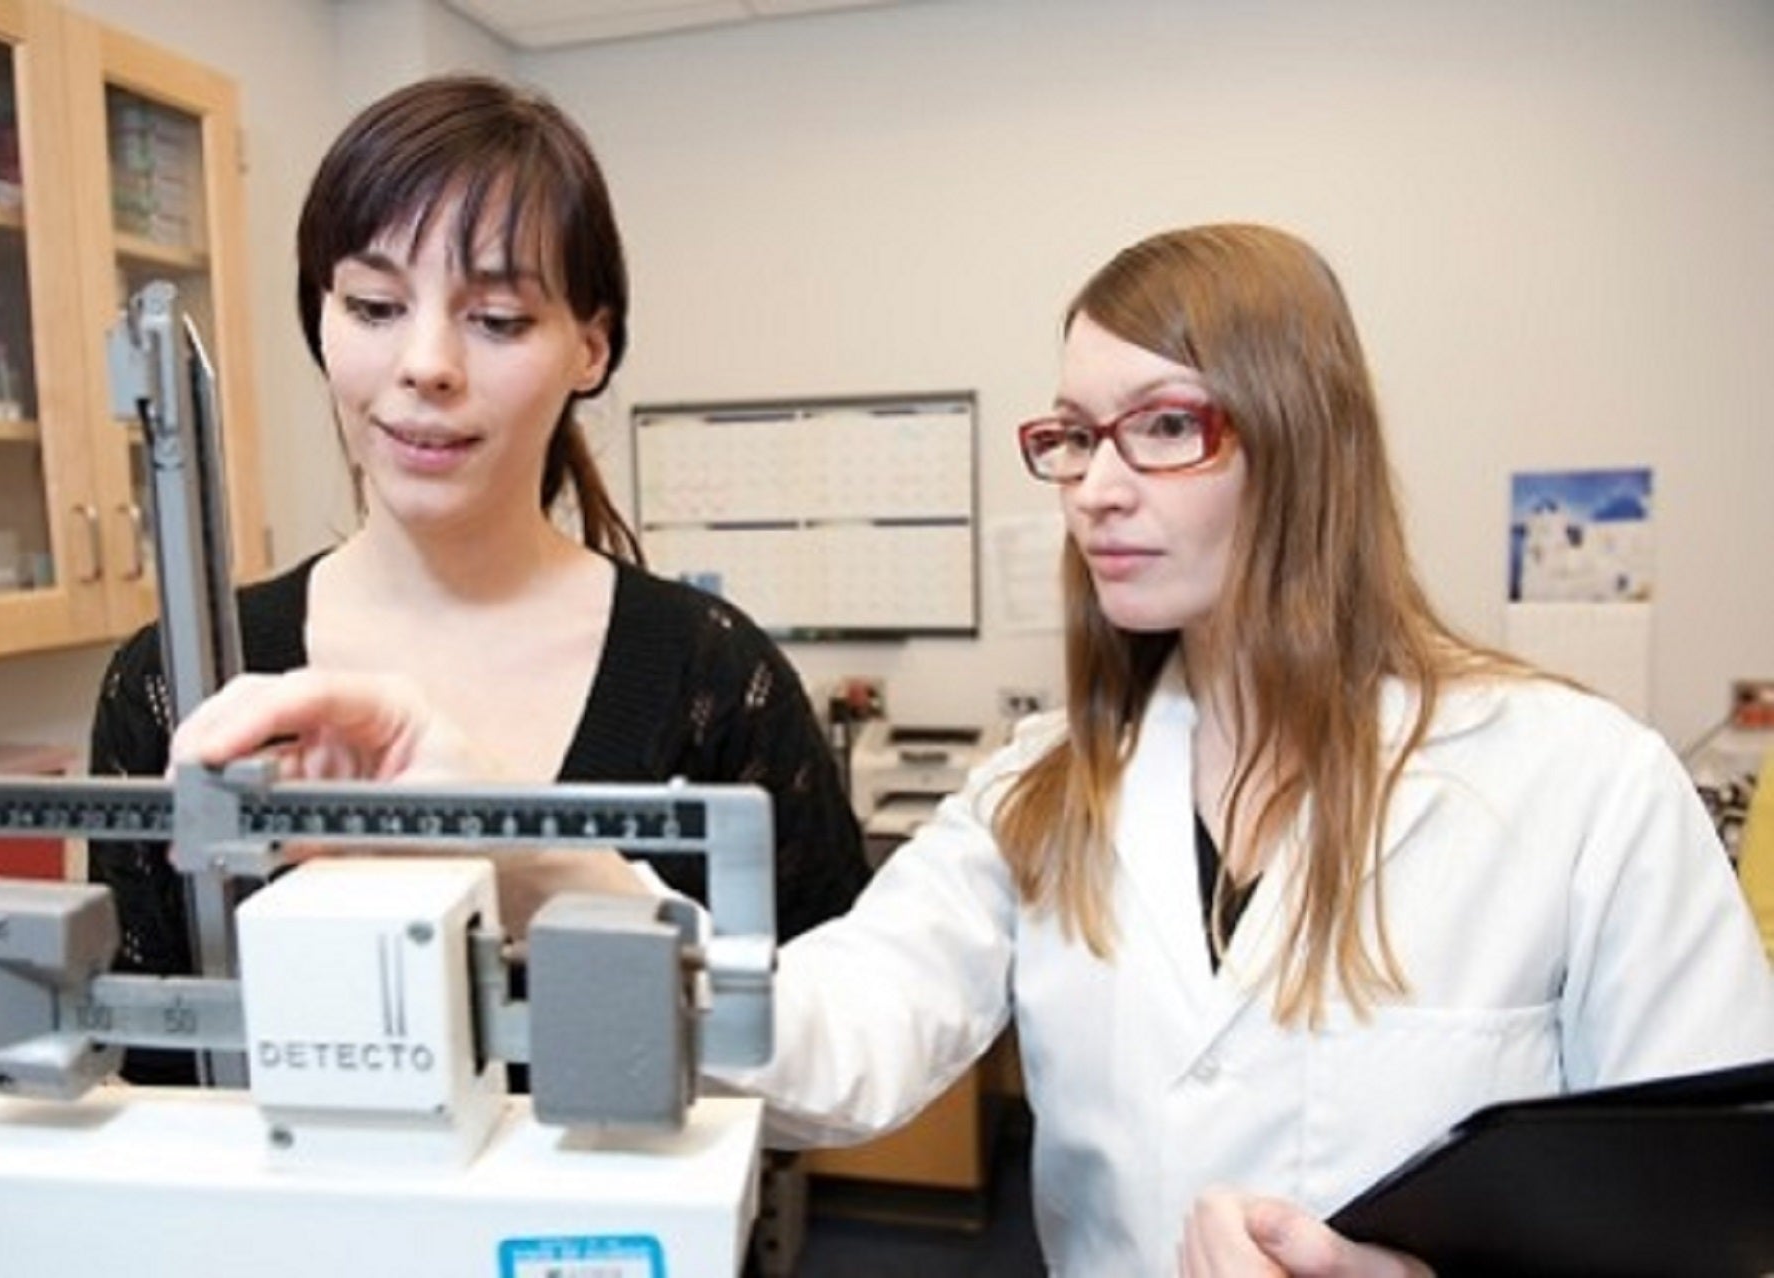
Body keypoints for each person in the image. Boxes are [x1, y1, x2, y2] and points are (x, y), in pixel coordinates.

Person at [164, 223, 1774, 1275]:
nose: (1093, 485)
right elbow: (823, 1036)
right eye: (1073, 435)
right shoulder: (1043, 793)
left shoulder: (1581, 788)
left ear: (1305, 438)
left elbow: (1720, 1222)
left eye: (1163, 425)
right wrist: (485, 815)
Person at [88, 73, 869, 1085]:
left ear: (589, 347)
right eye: (373, 304)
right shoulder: (180, 681)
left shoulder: (712, 676)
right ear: (319, 322)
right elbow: (143, 1070)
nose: (427, 364)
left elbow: (833, 1040)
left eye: (497, 318)